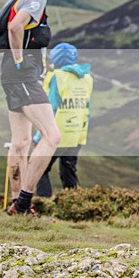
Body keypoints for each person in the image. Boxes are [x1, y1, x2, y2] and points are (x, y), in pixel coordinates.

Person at [0, 0, 61, 216]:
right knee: (52, 136)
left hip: (11, 74)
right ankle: (24, 201)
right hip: (23, 74)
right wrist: (21, 61)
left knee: (21, 142)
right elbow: (15, 27)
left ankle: (17, 206)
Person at [34, 42, 93, 198]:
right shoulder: (86, 78)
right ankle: (73, 205)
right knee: (68, 170)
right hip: (76, 134)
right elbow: (87, 109)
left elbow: (51, 109)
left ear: (55, 59)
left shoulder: (56, 78)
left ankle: (43, 204)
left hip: (56, 135)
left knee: (40, 170)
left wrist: (39, 137)